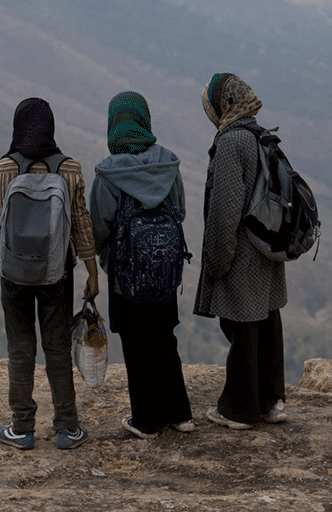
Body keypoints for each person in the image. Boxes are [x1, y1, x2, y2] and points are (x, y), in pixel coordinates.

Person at [0, 97, 100, 450]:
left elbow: (1, 221)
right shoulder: (69, 169)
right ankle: (67, 428)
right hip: (57, 274)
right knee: (56, 350)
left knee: (20, 350)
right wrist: (92, 271)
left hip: (14, 275)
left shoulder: (4, 168)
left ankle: (22, 428)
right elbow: (81, 223)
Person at [89, 91, 194, 440]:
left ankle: (147, 420)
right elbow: (179, 212)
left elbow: (98, 228)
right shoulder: (168, 166)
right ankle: (180, 414)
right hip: (165, 275)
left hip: (126, 278)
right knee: (165, 339)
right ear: (145, 121)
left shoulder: (107, 176)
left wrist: (110, 260)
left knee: (136, 346)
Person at [194, 73, 289, 430]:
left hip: (243, 253)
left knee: (243, 324)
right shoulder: (261, 135)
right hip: (268, 247)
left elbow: (225, 210)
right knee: (267, 319)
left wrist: (217, 259)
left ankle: (240, 409)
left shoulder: (232, 142)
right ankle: (273, 401)